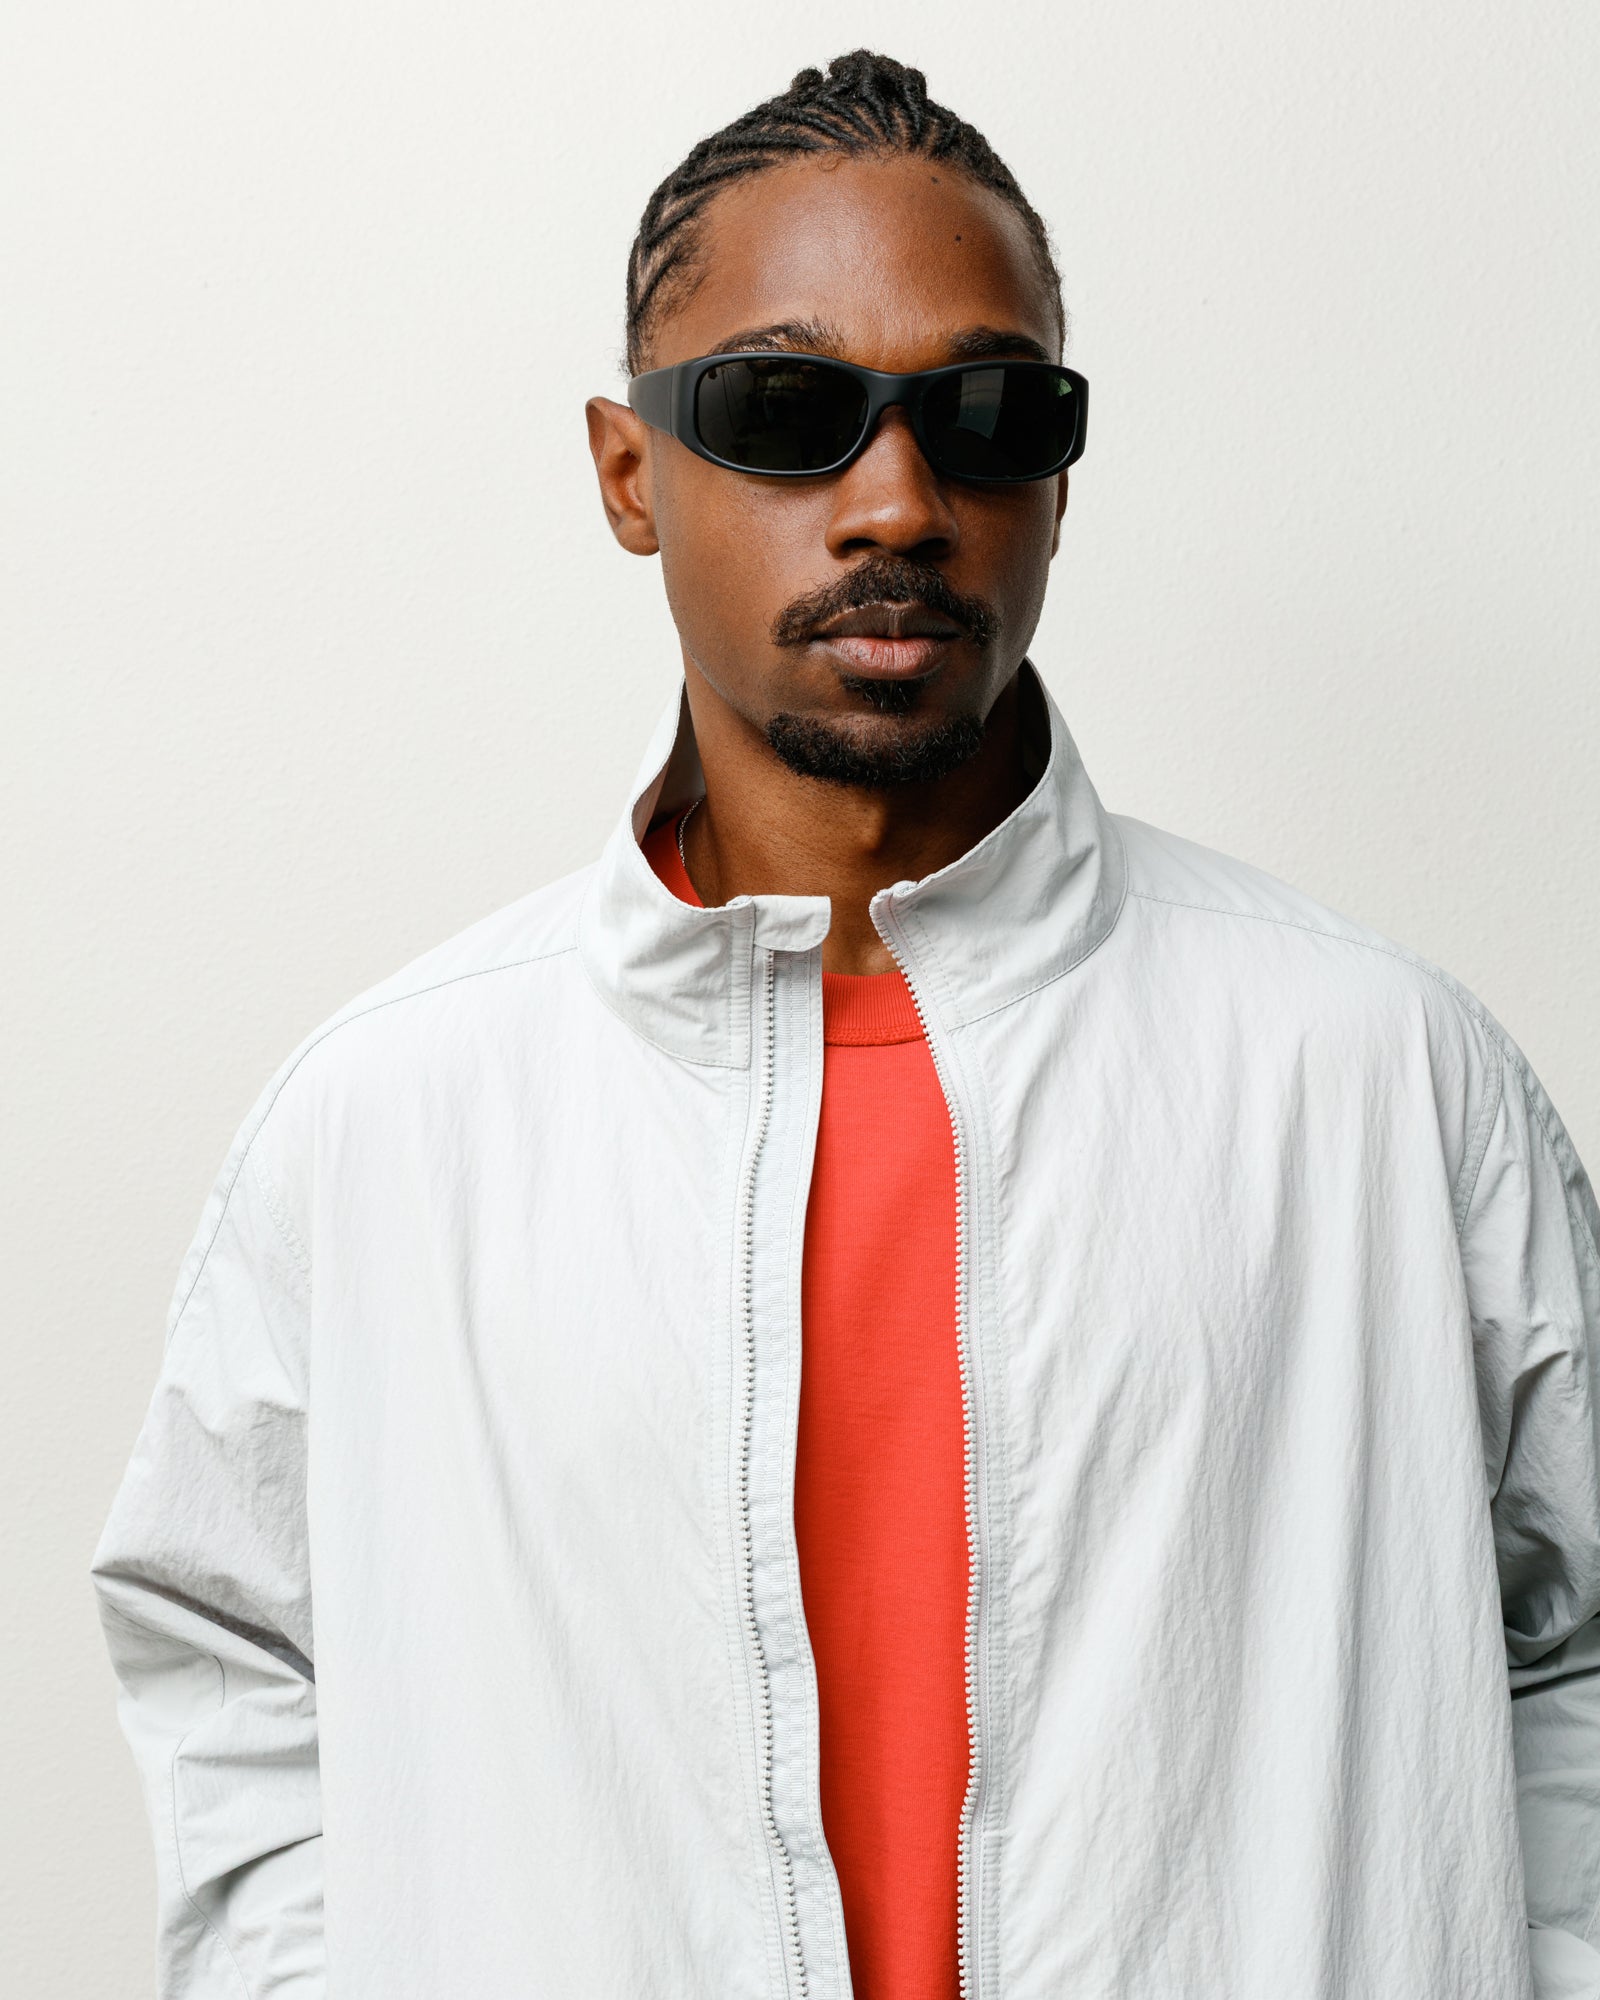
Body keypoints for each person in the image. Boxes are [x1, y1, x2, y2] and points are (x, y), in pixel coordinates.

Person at [91, 48, 1600, 2000]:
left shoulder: (1377, 1077)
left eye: (985, 416)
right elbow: (235, 1674)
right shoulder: (389, 1120)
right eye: (785, 413)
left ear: (1056, 476)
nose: (897, 502)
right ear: (627, 474)